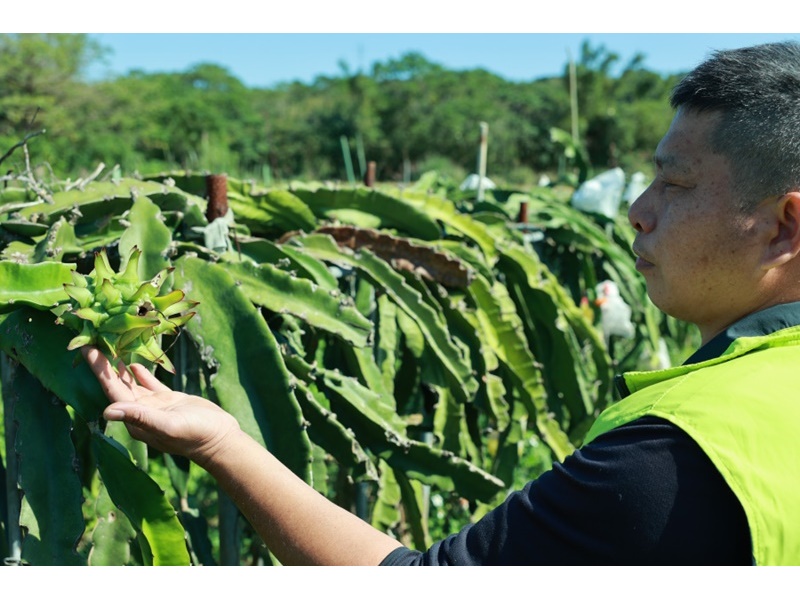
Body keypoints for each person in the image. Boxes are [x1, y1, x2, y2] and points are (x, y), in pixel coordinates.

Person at [83, 40, 800, 566]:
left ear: (784, 223)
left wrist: (219, 445)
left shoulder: (675, 459)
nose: (638, 212)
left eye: (673, 185)